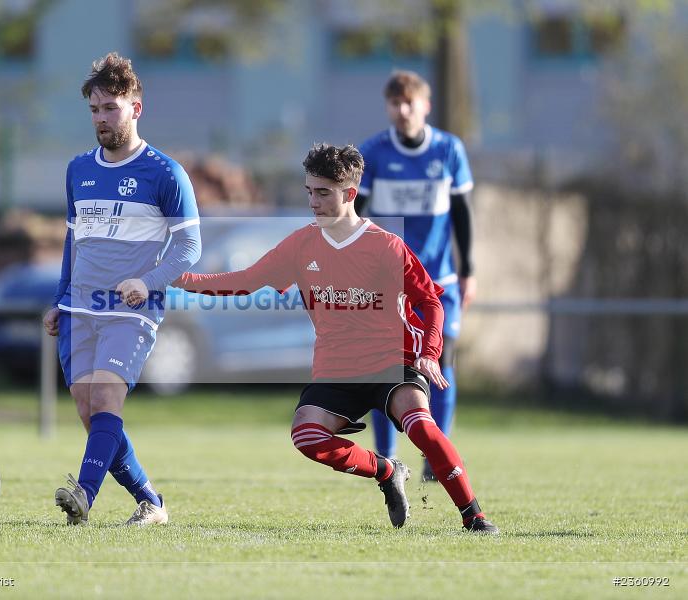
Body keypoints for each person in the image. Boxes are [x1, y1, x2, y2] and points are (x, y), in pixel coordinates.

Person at [172, 143, 497, 533]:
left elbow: (430, 301)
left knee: (423, 428)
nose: (313, 201)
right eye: (309, 190)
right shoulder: (301, 245)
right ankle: (386, 470)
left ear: (350, 194)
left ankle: (474, 517)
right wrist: (181, 279)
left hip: (394, 362)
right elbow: (245, 281)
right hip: (338, 369)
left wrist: (429, 352)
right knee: (306, 435)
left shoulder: (385, 246)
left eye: (322, 192)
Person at [43, 53, 202, 526]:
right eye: (94, 110)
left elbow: (189, 247)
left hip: (131, 311)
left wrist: (147, 282)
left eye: (110, 108)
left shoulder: (165, 173)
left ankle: (83, 497)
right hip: (78, 308)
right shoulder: (77, 170)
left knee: (107, 402)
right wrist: (59, 300)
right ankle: (151, 503)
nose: (101, 118)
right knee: (93, 416)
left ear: (136, 108)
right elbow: (75, 240)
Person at [356, 71, 476, 480]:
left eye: (410, 103)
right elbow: (357, 216)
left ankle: (435, 456)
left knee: (443, 361)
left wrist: (469, 270)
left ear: (425, 105)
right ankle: (388, 456)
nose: (403, 111)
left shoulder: (448, 150)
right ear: (388, 107)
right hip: (390, 282)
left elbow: (462, 213)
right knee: (382, 365)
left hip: (439, 280)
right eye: (395, 103)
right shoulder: (372, 152)